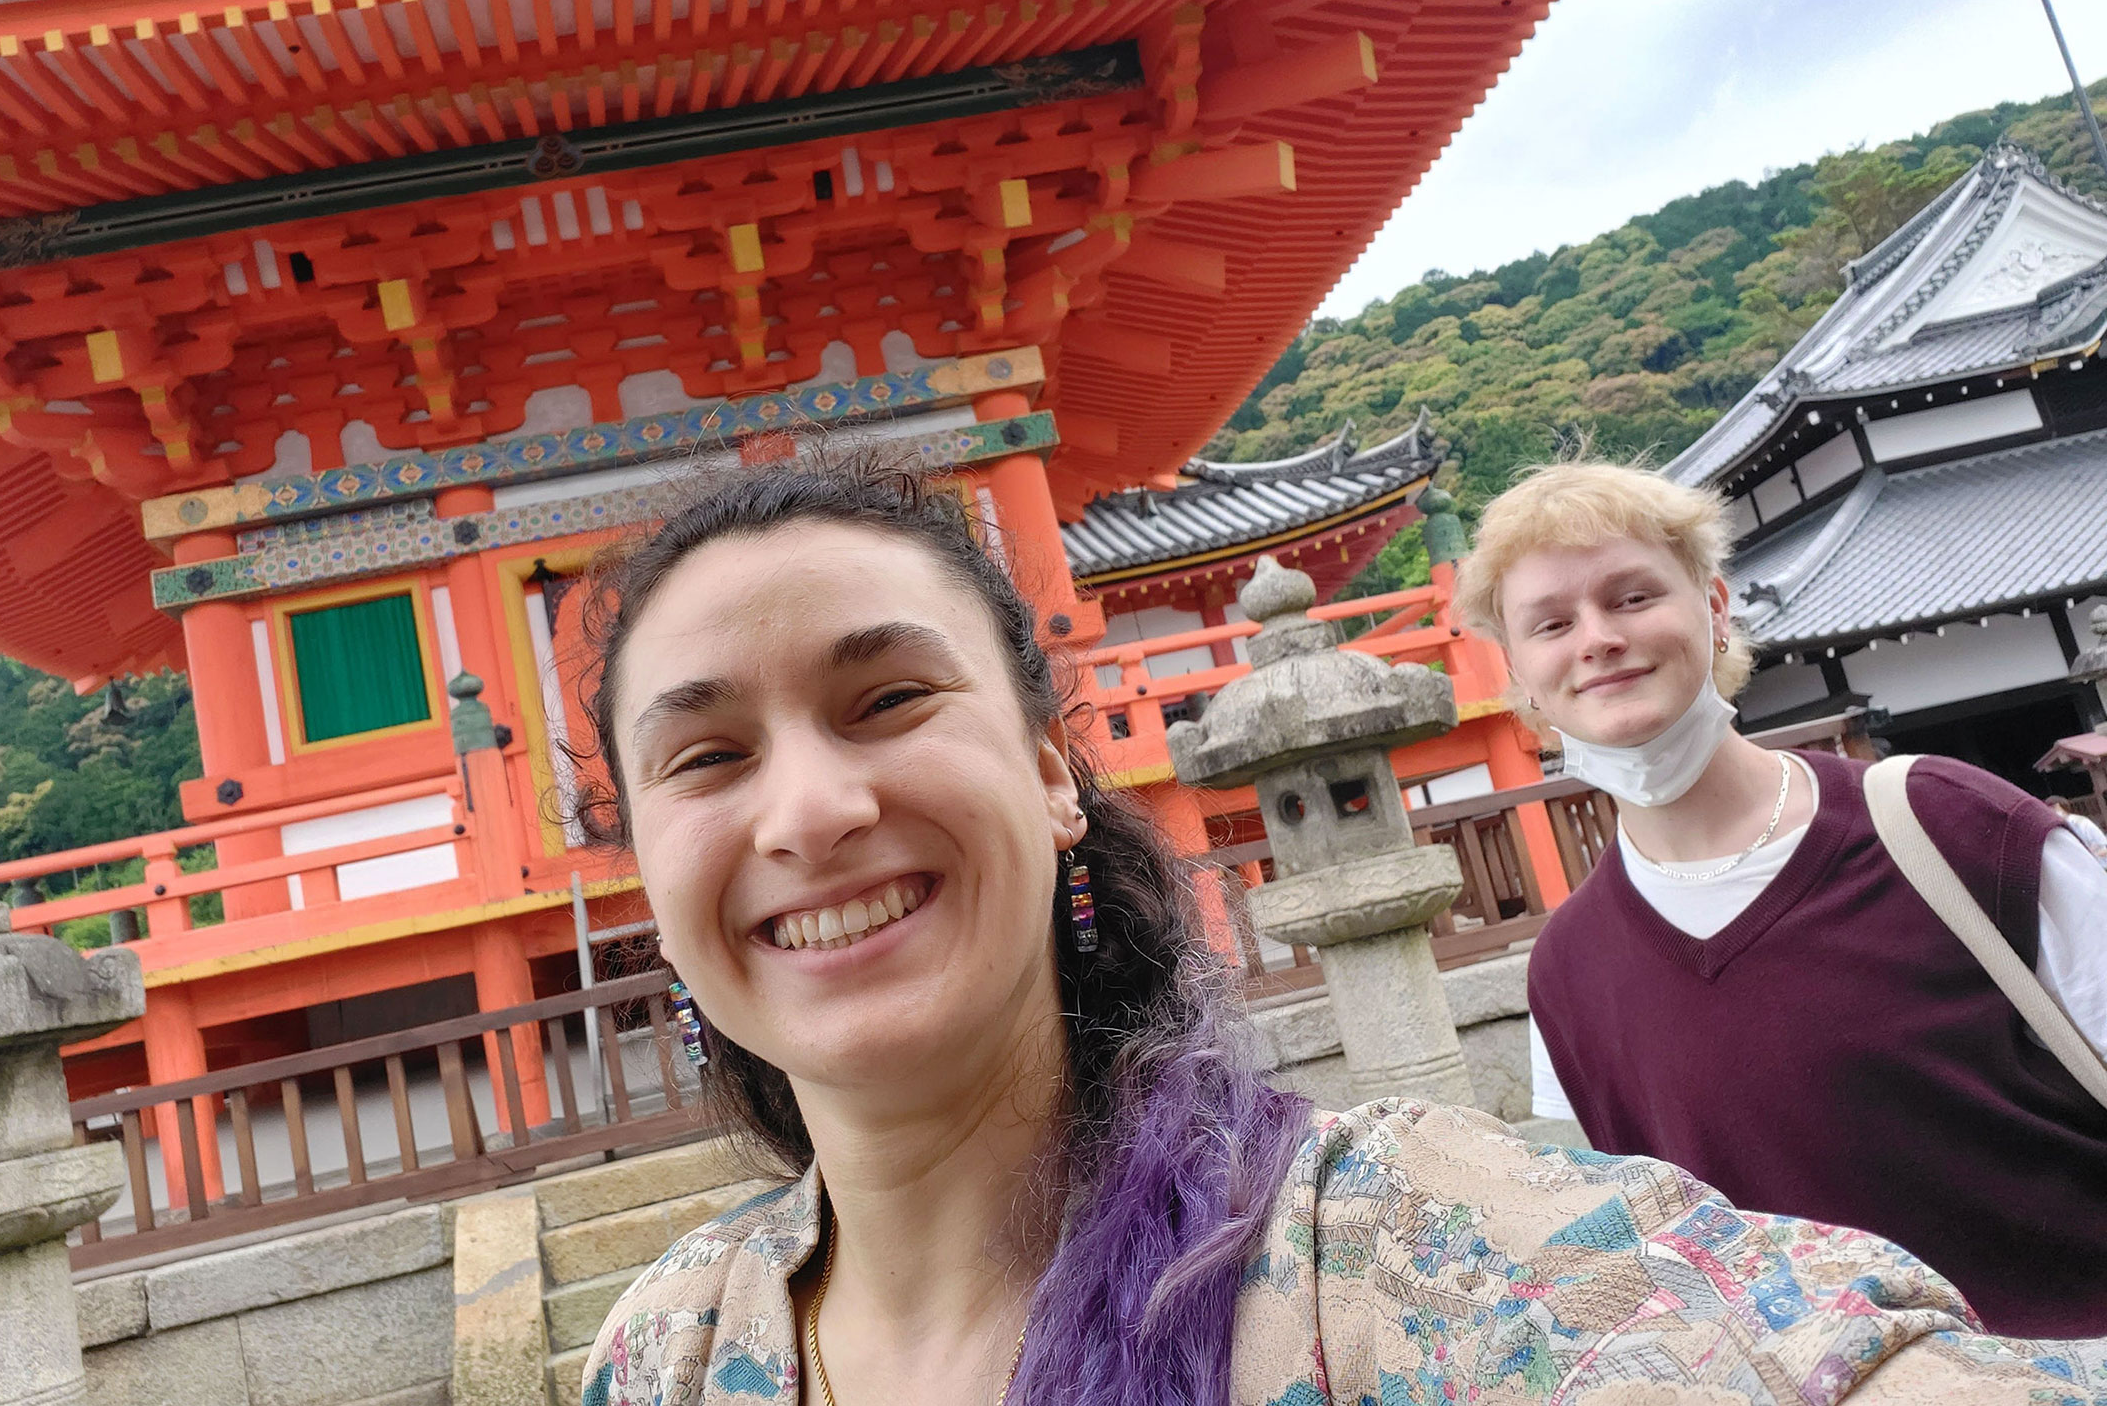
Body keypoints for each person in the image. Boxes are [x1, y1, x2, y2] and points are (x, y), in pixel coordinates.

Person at [567, 451, 2105, 1405]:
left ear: (1051, 776)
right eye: (705, 755)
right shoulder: (661, 1353)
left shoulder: (1395, 1254)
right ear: (644, 868)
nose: (810, 809)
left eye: (889, 696)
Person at [1457, 458, 2107, 1340]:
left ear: (1715, 609)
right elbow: (1647, 1256)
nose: (1598, 638)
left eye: (1634, 597)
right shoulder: (1568, 974)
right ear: (1521, 675)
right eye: (1553, 622)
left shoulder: (1947, 824)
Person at [2049, 796, 2107, 864]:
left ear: (2058, 806)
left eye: (2052, 808)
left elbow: (2103, 845)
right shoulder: (2058, 829)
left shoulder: (2081, 822)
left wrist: (2087, 856)